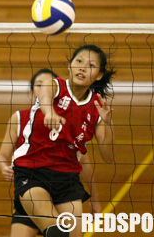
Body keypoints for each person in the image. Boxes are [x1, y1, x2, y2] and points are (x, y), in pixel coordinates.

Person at [12, 45, 116, 237]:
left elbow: (108, 156)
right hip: (33, 171)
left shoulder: (96, 107)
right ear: (69, 66)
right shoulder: (55, 85)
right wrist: (49, 112)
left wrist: (107, 123)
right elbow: (44, 94)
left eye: (91, 65)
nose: (83, 67)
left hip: (67, 178)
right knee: (57, 233)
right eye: (79, 61)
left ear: (99, 75)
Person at [0, 68, 102, 237]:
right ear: (32, 92)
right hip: (33, 190)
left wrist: (95, 199)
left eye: (49, 84)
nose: (44, 88)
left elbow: (85, 162)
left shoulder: (69, 122)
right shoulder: (19, 118)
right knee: (55, 231)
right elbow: (2, 155)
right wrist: (3, 167)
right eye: (39, 85)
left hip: (63, 189)